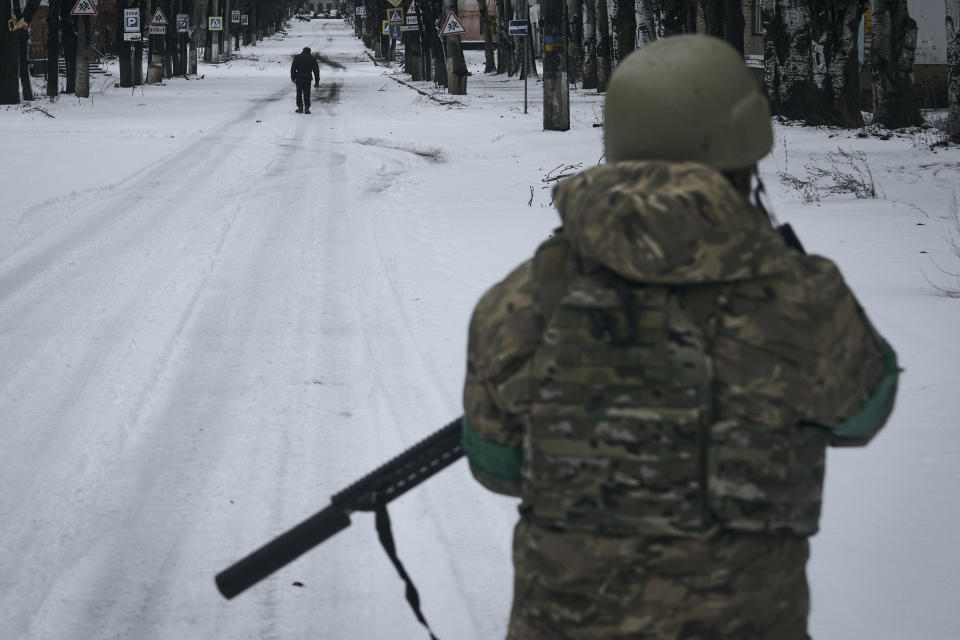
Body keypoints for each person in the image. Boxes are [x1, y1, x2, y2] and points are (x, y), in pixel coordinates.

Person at [461, 34, 899, 639]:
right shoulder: (806, 298)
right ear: (747, 149)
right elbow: (862, 414)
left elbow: (497, 466)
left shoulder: (521, 301)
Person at [290, 46, 320, 114]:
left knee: (299, 93)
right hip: (307, 78)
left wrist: (293, 77)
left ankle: (300, 107)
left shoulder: (297, 57)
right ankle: (307, 108)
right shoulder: (312, 58)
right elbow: (316, 71)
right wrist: (317, 81)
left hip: (299, 78)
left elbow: (293, 68)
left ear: (303, 51)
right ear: (309, 52)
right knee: (307, 93)